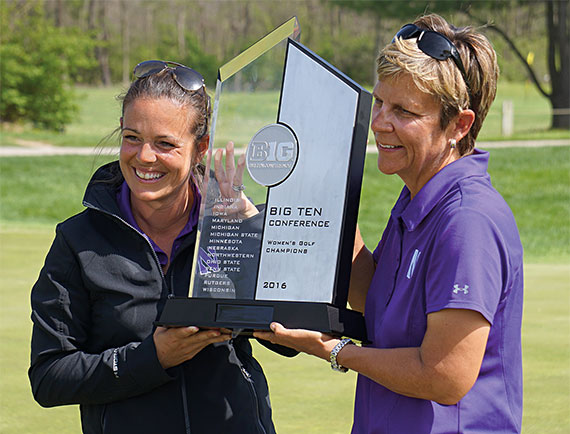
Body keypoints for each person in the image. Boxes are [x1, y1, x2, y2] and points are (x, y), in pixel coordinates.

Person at [255, 14, 523, 433]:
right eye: (379, 102)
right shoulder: (416, 197)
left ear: (459, 125)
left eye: (404, 111)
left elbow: (445, 375)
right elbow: (372, 298)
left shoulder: (468, 219)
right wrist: (323, 206)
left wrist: (334, 350)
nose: (380, 122)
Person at [29, 60, 286, 434]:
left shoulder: (232, 225)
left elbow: (289, 341)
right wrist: (152, 358)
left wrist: (252, 231)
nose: (145, 157)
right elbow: (49, 377)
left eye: (165, 143)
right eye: (132, 137)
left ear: (200, 149)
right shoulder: (77, 241)